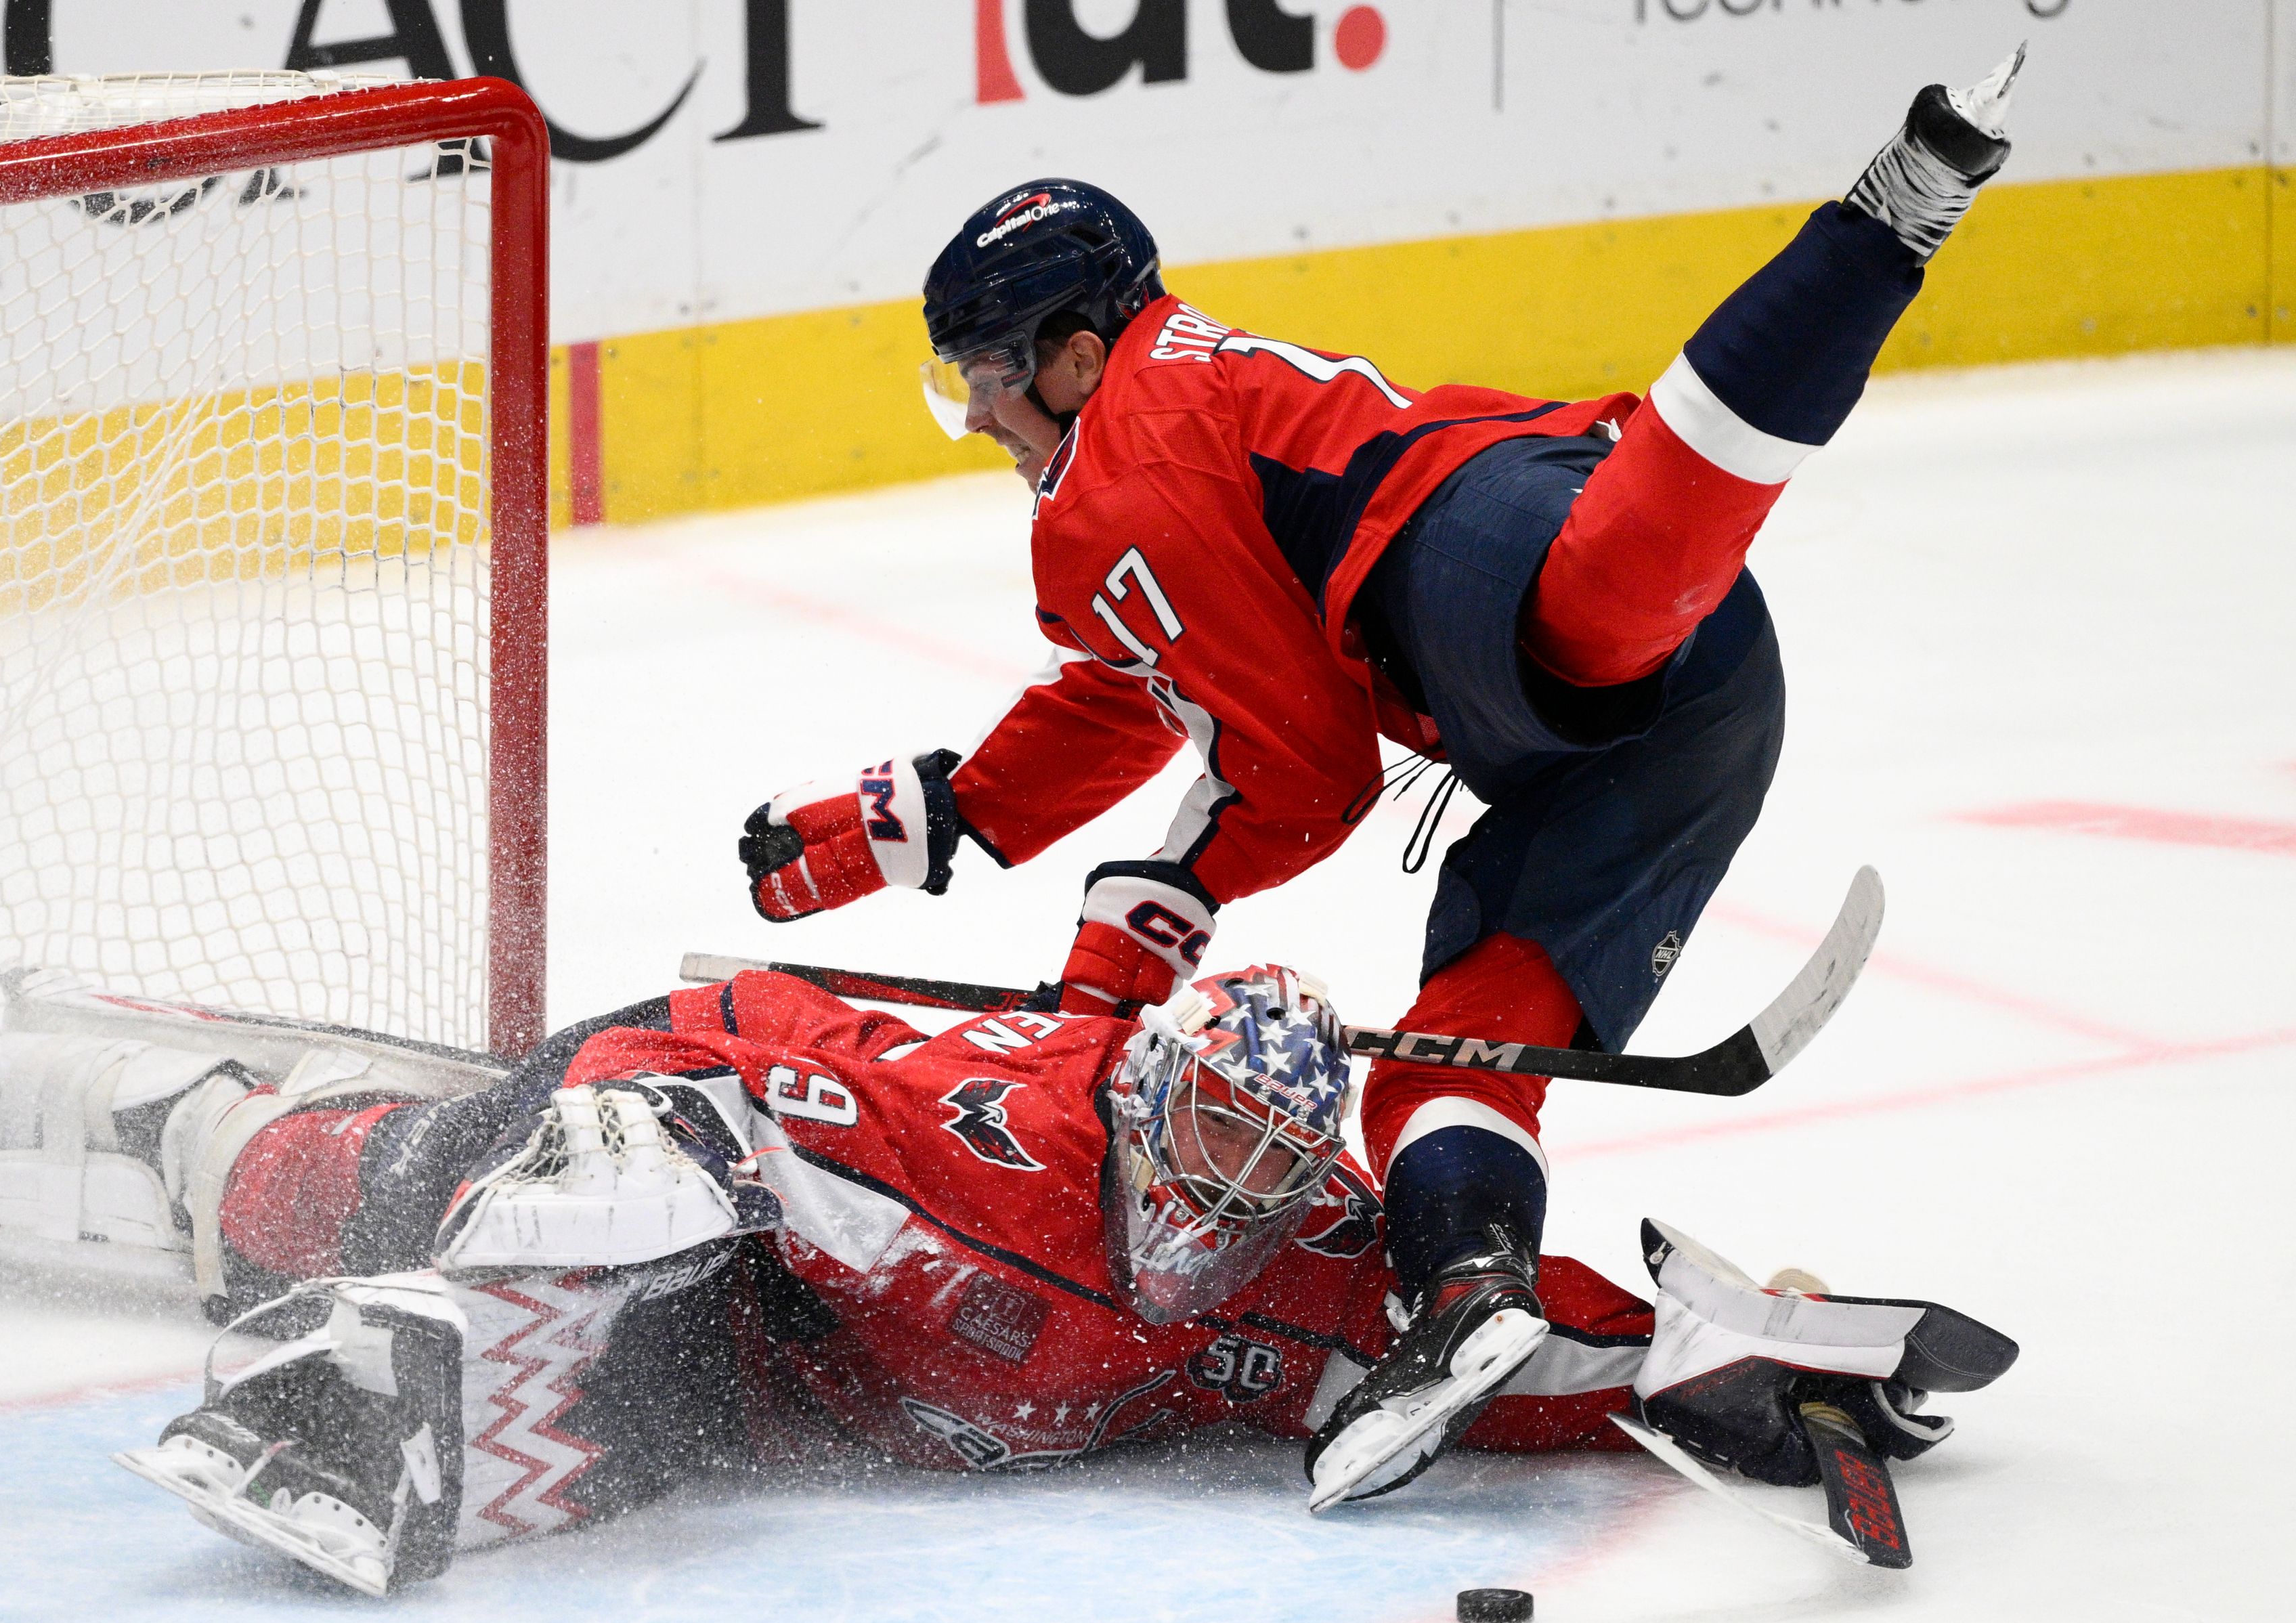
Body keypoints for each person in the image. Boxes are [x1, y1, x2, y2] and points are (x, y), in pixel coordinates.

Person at [734, 51, 2026, 1429]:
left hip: (1469, 559)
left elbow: (1299, 761)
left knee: (1598, 602)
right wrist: (924, 815)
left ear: (1076, 354)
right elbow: (1148, 681)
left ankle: (1883, 224)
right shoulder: (1156, 437)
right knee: (1449, 1063)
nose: (979, 415)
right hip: (1698, 720)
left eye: (988, 373)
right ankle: (1476, 1284)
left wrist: (1113, 971)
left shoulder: (1116, 477)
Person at [0, 965, 2012, 1595]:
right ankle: (122, 1116)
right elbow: (711, 1066)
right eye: (1200, 1154)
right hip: (703, 1151)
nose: (1222, 1212)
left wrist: (1736, 1356)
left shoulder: (1311, 1274)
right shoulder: (978, 1154)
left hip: (779, 1385)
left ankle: (406, 1324)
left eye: (1272, 1181)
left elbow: (1509, 1351)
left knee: (648, 1382)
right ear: (1139, 1113)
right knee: (438, 1185)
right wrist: (524, 1202)